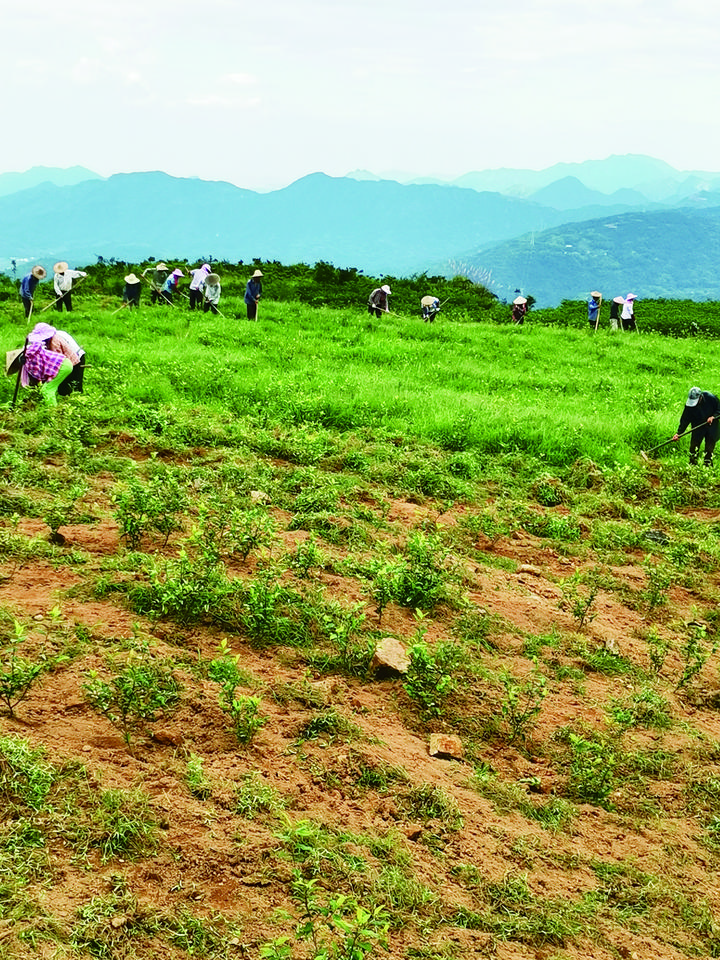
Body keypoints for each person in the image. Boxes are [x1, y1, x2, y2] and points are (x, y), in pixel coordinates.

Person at [20, 323, 74, 406]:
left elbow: (38, 373)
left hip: (63, 365)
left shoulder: (53, 343)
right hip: (63, 364)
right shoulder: (34, 352)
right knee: (47, 388)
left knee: (47, 390)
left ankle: (53, 411)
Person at [672, 387, 720, 466]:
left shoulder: (711, 398)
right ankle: (692, 465)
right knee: (693, 448)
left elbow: (719, 409)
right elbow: (685, 419)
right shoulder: (689, 406)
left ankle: (707, 466)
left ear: (701, 397)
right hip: (698, 426)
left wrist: (713, 417)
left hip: (712, 426)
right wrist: (679, 433)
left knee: (709, 449)